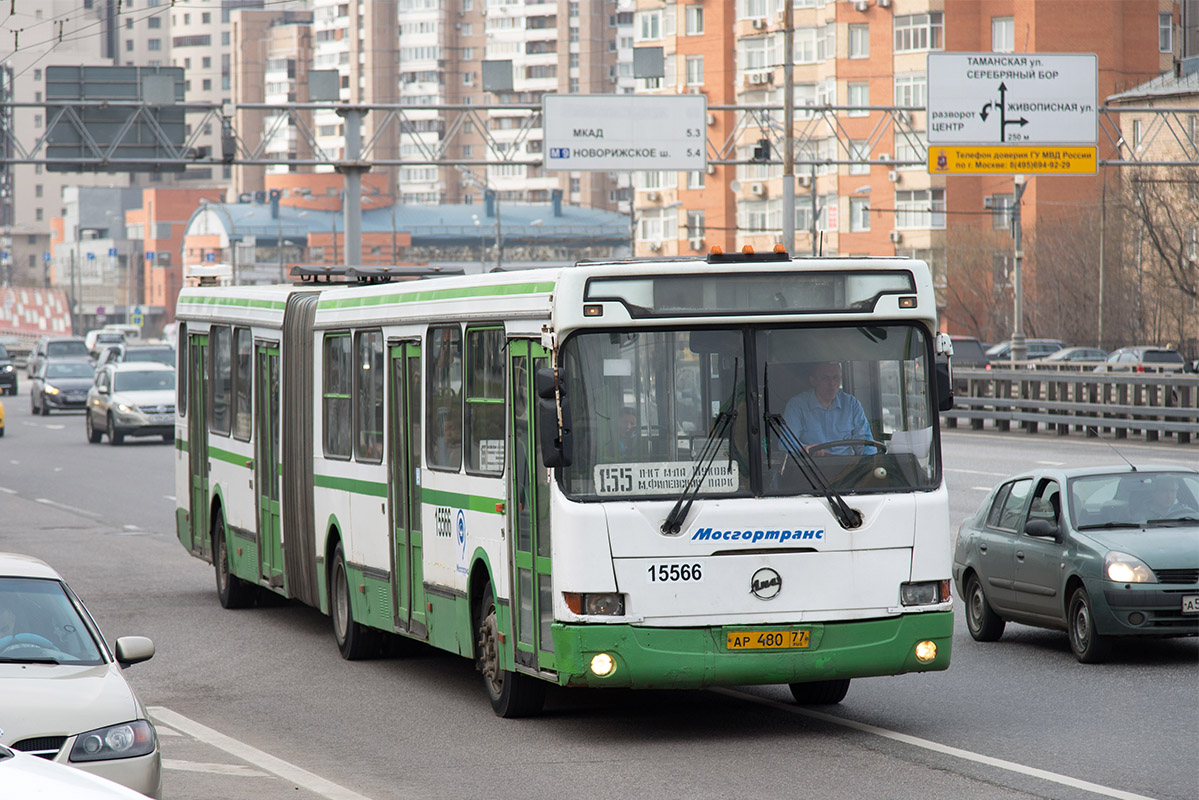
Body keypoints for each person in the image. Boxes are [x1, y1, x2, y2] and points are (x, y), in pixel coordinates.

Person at [782, 361, 875, 455]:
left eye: (836, 378)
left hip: (848, 466)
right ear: (813, 381)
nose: (832, 384)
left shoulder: (852, 404)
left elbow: (866, 444)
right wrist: (803, 449)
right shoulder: (797, 405)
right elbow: (785, 443)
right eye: (825, 378)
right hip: (811, 466)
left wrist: (869, 464)